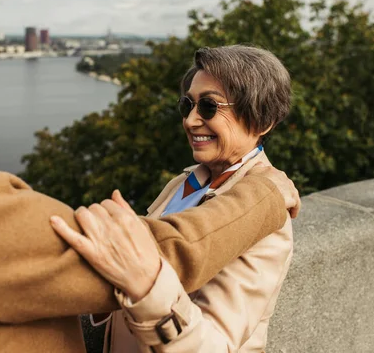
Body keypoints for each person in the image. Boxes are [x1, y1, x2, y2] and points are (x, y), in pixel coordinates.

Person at [0, 0, 301, 353]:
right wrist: (264, 195)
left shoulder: (236, 206)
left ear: (259, 118)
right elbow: (140, 255)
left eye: (208, 106)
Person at [52, 45, 294, 352]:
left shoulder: (268, 217)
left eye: (209, 107)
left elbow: (213, 346)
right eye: (187, 105)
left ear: (261, 121)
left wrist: (144, 286)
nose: (191, 121)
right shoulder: (187, 181)